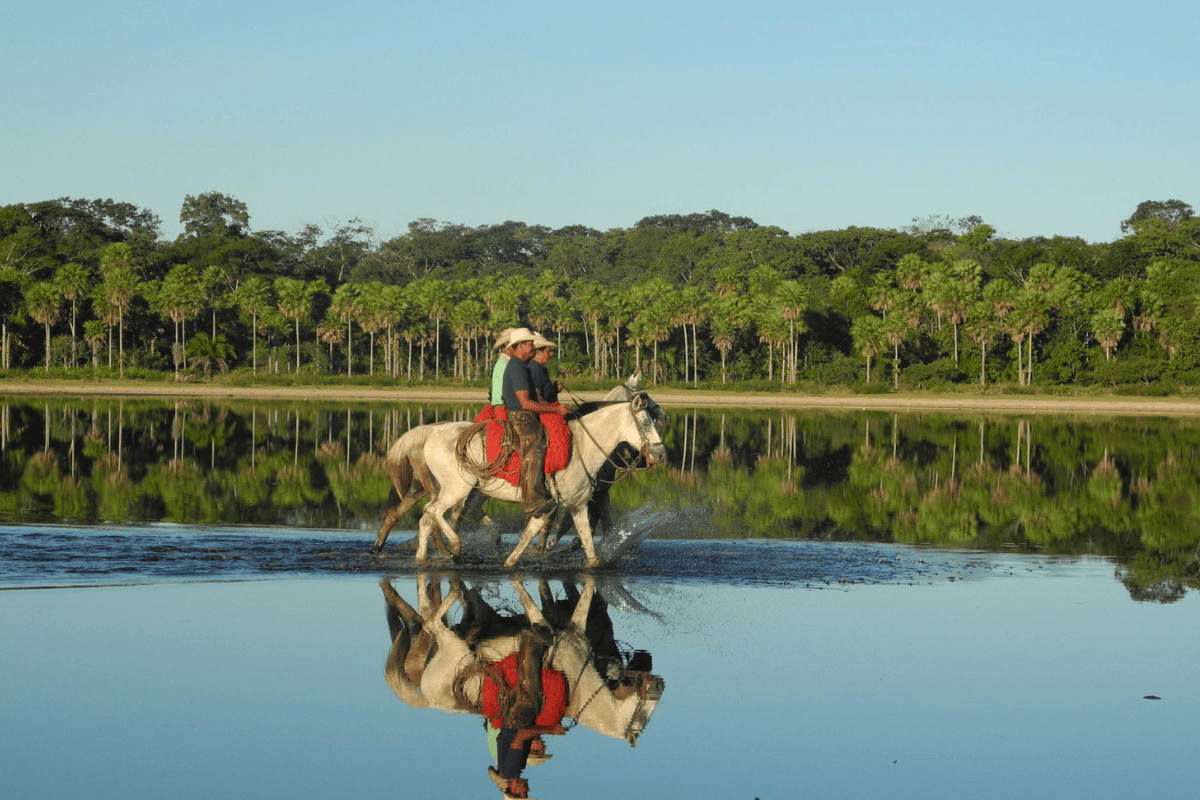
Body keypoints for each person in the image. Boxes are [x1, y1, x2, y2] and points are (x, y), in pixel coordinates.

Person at [501, 328, 570, 518]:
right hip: (521, 417)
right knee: (536, 445)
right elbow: (525, 403)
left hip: (525, 414)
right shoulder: (516, 367)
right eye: (531, 344)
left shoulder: (522, 366)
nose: (534, 347)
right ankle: (534, 501)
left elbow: (535, 399)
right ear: (521, 345)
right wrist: (555, 409)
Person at [528, 333, 563, 404]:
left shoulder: (538, 367)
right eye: (547, 351)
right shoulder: (535, 368)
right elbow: (539, 397)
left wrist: (555, 389)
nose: (550, 354)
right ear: (538, 353)